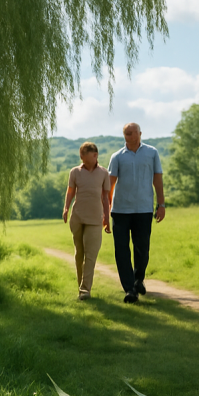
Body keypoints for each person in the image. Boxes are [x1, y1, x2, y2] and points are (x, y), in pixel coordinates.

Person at [108, 122, 165, 303]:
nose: (130, 136)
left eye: (133, 133)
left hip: (144, 209)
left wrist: (161, 204)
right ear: (124, 136)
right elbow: (109, 185)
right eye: (127, 133)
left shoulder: (152, 153)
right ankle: (129, 289)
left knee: (142, 247)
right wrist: (105, 209)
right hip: (120, 210)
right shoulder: (117, 157)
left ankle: (138, 278)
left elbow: (157, 179)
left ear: (140, 133)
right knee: (121, 250)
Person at [62, 141, 111, 300]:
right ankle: (81, 287)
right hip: (77, 217)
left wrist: (107, 217)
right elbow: (70, 192)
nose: (81, 157)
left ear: (95, 155)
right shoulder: (75, 172)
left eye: (84, 154)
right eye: (81, 154)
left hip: (95, 219)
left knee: (91, 254)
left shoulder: (104, 173)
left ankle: (85, 290)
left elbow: (105, 197)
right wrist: (66, 208)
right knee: (79, 254)